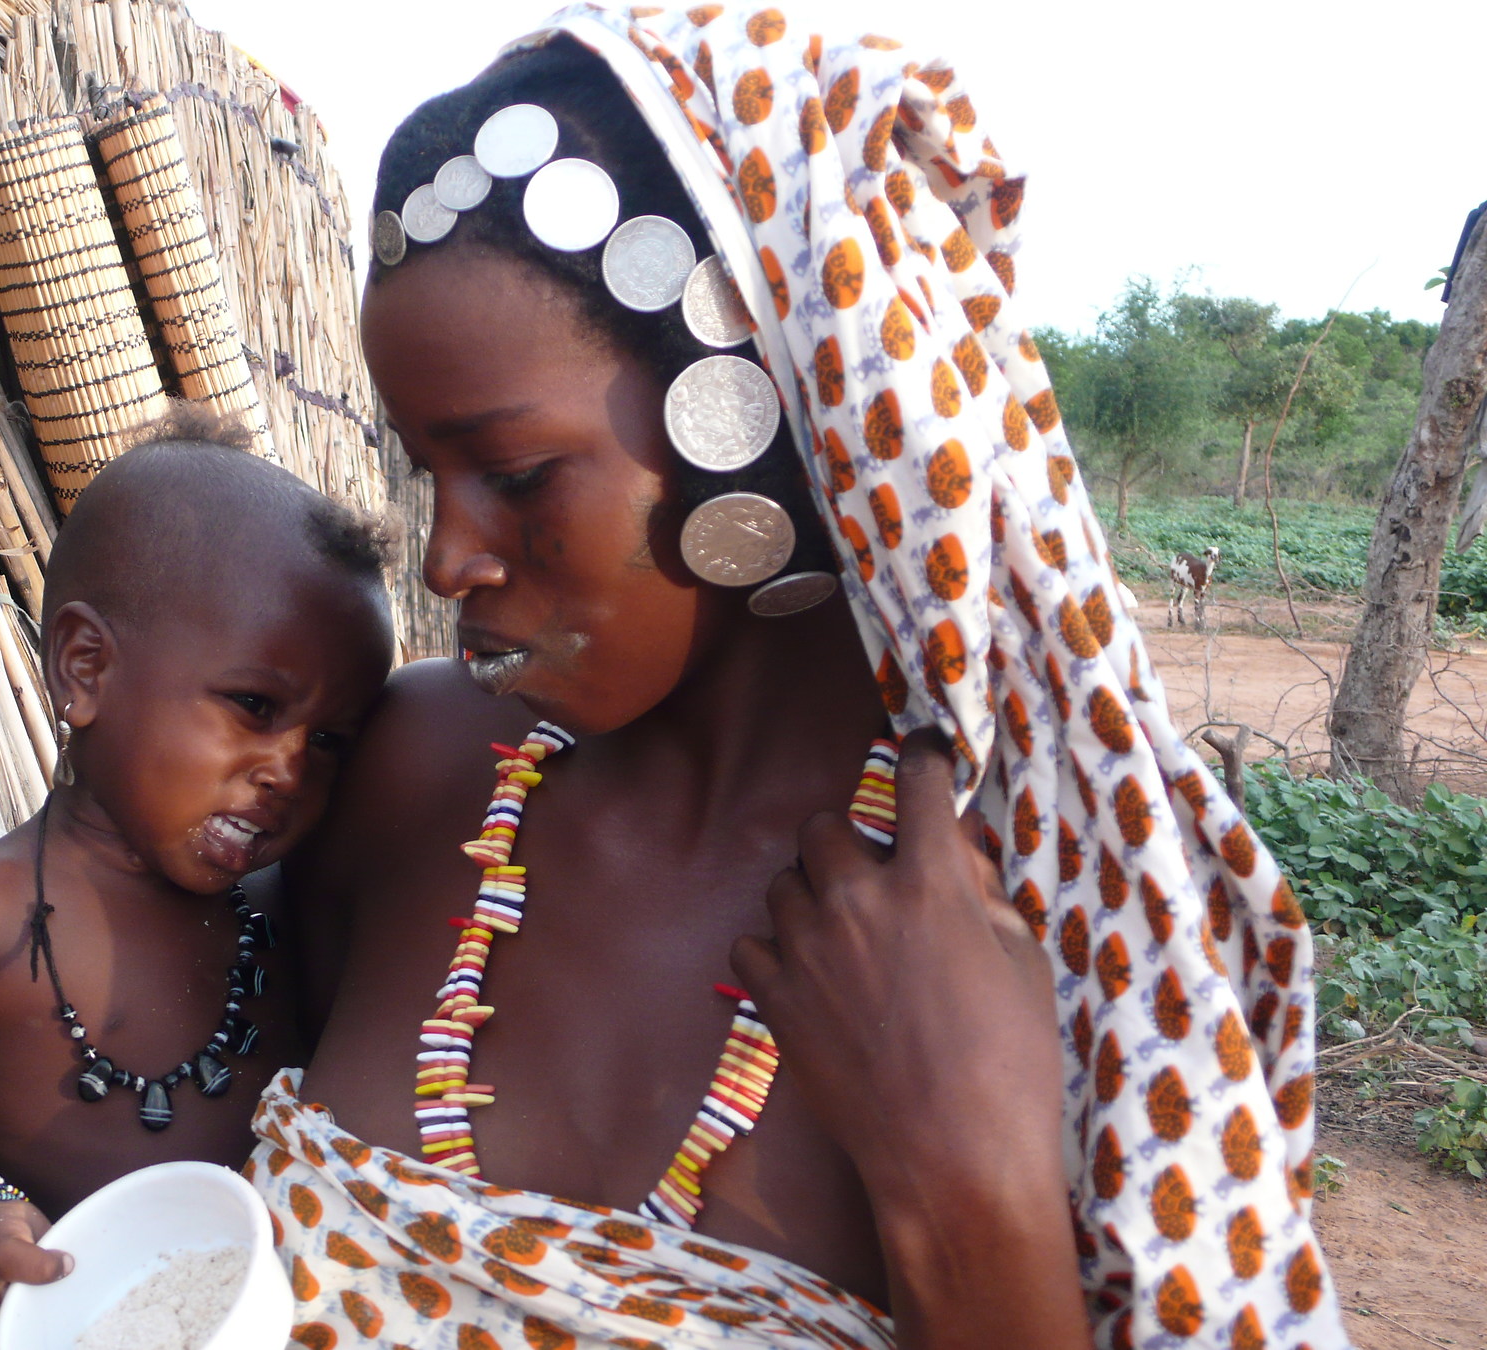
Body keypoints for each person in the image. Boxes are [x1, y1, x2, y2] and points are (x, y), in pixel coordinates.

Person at [262, 7, 1349, 1349]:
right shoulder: (413, 777)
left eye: (518, 475)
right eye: (432, 475)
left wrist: (973, 1192)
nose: (445, 558)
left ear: (759, 412)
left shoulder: (1045, 918)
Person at [0, 407, 398, 1349]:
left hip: (261, 1306)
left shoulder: (287, 907)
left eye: (330, 742)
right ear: (85, 666)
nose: (288, 769)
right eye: (254, 706)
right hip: (68, 1312)